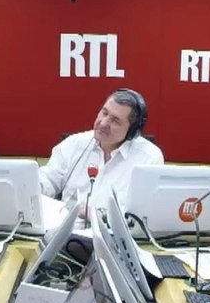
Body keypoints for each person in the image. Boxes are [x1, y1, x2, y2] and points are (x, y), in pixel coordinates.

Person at [38, 89, 163, 218]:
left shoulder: (149, 158)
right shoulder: (74, 144)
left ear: (132, 132)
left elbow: (141, 214)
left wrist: (97, 215)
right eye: (104, 113)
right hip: (67, 232)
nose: (103, 123)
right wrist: (30, 187)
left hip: (113, 235)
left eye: (115, 120)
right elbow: (47, 180)